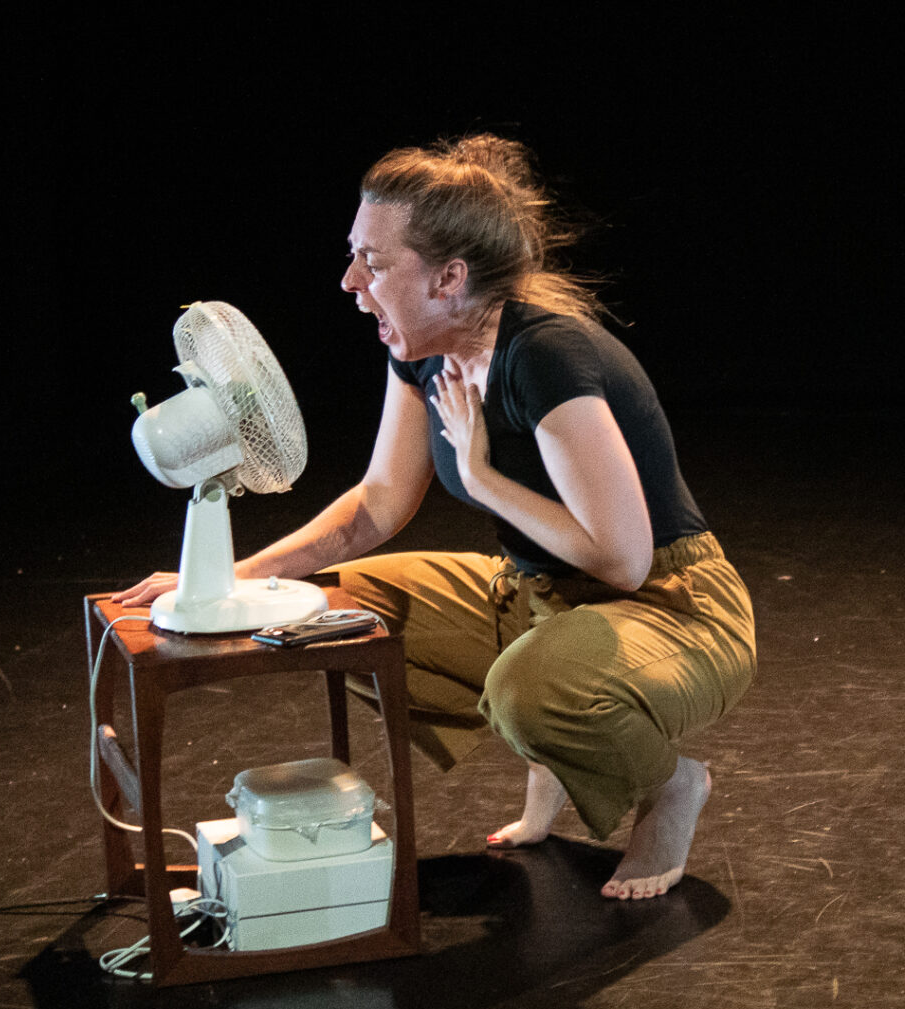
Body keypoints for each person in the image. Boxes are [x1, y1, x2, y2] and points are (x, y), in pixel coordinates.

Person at [114, 134, 756, 901]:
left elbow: (624, 561)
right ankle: (553, 749)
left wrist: (483, 477)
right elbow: (377, 503)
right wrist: (223, 580)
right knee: (338, 609)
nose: (351, 282)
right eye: (353, 256)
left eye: (374, 263)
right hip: (538, 592)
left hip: (670, 606)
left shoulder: (544, 356)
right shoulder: (422, 352)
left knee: (532, 694)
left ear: (449, 278)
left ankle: (671, 784)